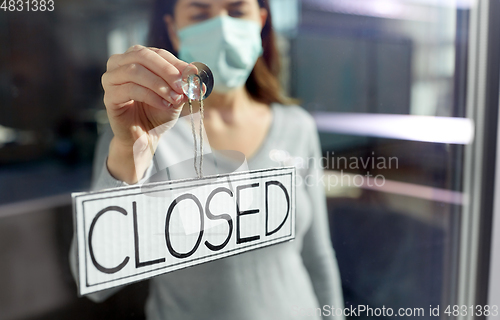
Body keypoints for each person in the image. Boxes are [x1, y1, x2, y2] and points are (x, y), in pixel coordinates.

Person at [70, 0, 345, 319]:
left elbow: (318, 255)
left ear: (261, 20)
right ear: (173, 29)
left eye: (237, 11)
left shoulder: (297, 126)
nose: (223, 28)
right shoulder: (142, 130)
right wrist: (131, 150)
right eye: (200, 14)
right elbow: (95, 282)